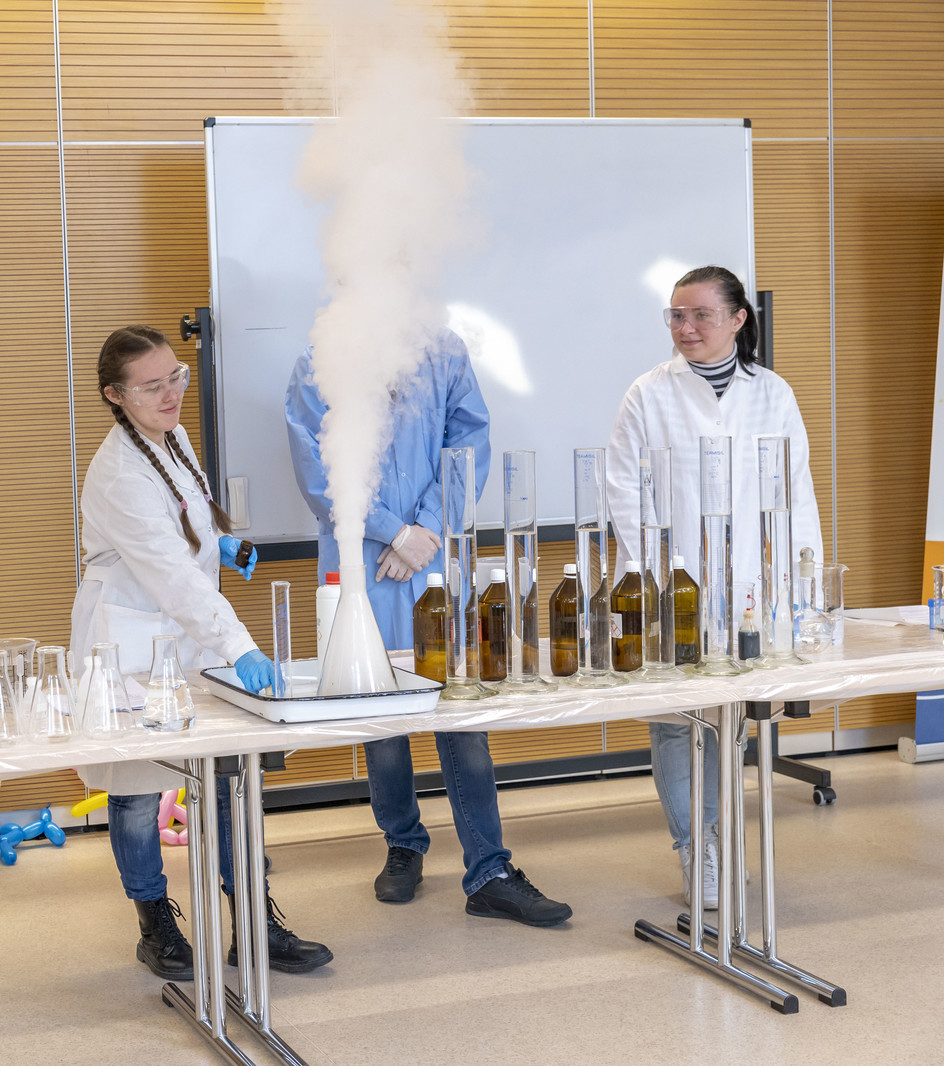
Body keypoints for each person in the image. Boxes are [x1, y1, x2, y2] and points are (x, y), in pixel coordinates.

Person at [71, 325, 333, 980]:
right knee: (138, 790)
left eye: (176, 377)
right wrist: (240, 646)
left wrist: (221, 543)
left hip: (187, 635)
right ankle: (154, 924)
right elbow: (170, 576)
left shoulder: (173, 436)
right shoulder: (119, 473)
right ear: (115, 395)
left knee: (224, 776)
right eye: (151, 386)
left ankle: (254, 921)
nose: (170, 394)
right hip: (129, 646)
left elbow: (187, 515)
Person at [285, 331, 572, 927]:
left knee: (458, 707)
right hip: (362, 555)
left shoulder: (443, 351)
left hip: (436, 552)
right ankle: (403, 845)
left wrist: (426, 531)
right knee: (379, 707)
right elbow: (319, 469)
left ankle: (489, 869)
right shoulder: (322, 357)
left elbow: (467, 442)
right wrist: (393, 533)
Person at [608, 265, 822, 907]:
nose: (686, 327)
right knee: (678, 722)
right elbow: (624, 491)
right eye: (676, 315)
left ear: (737, 319)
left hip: (751, 589)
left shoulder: (772, 393)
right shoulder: (648, 393)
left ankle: (722, 837)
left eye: (701, 314)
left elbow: (796, 492)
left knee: (731, 720)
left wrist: (804, 584)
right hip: (668, 589)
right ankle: (695, 850)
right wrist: (663, 578)